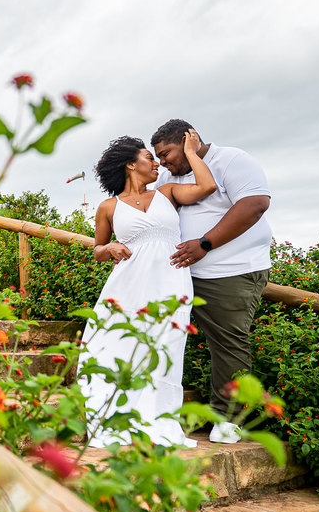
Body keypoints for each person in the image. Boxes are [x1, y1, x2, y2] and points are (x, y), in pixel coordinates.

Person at [79, 131, 217, 448]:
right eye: (148, 157)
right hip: (126, 287)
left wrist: (193, 153)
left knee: (166, 351)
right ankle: (114, 418)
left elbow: (207, 187)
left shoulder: (167, 193)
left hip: (171, 285)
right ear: (131, 164)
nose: (156, 163)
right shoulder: (108, 207)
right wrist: (110, 247)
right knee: (116, 347)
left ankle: (157, 421)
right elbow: (98, 249)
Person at [150, 119, 272, 444]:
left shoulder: (231, 160)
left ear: (190, 140)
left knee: (228, 344)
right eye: (157, 157)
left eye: (166, 153)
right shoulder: (167, 176)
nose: (162, 162)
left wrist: (205, 243)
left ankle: (229, 420)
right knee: (163, 338)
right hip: (180, 274)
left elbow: (255, 204)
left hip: (230, 272)